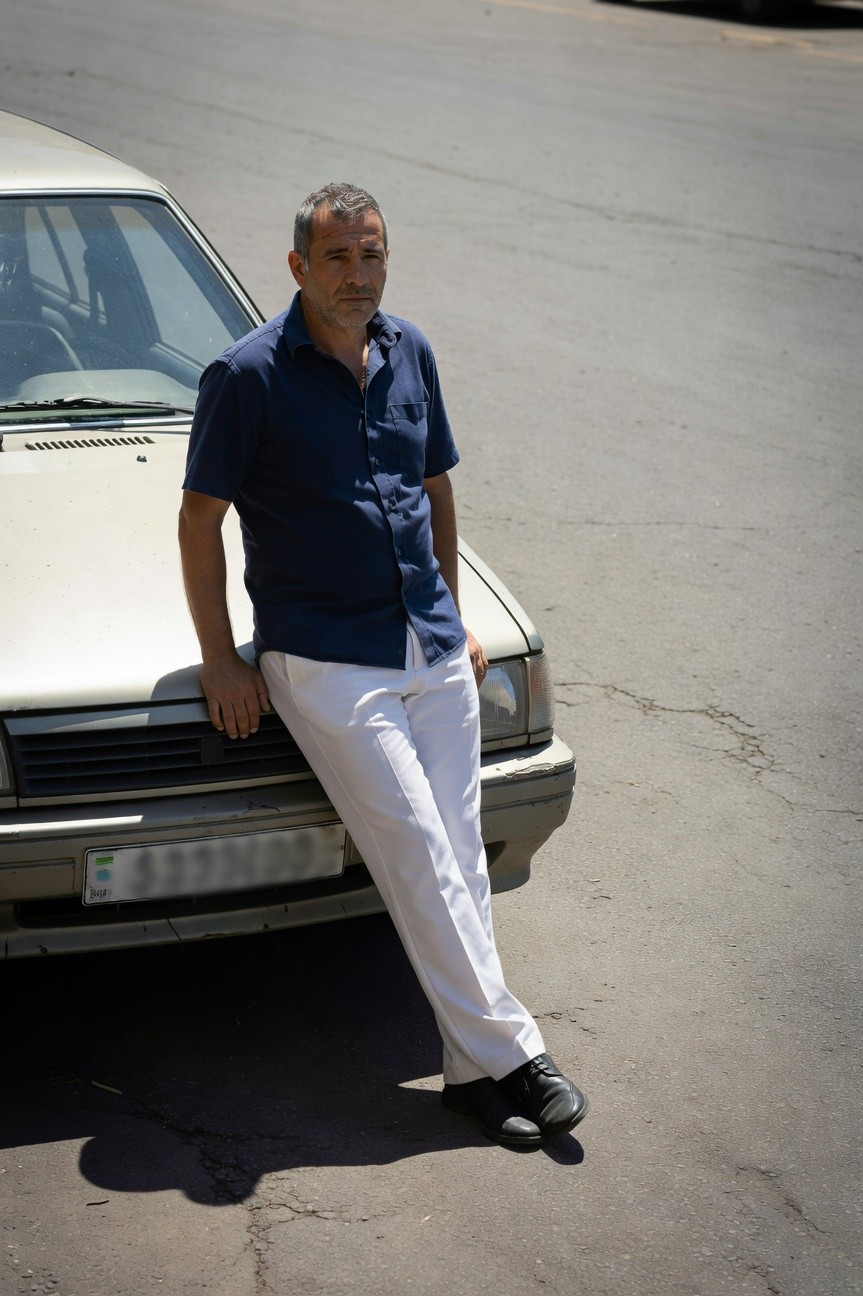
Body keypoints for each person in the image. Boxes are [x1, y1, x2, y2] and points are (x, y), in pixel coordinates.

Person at [178, 183, 588, 1147]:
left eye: (372, 256)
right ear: (296, 269)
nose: (358, 276)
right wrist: (219, 658)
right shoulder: (246, 377)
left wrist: (449, 605)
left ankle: (469, 1077)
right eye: (338, 259)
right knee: (417, 850)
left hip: (429, 646)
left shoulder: (411, 350)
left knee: (462, 864)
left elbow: (433, 488)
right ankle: (520, 1055)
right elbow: (200, 521)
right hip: (325, 657)